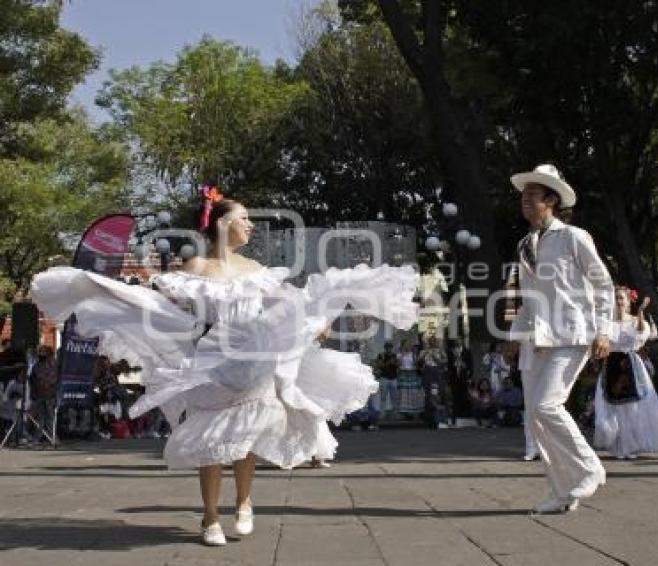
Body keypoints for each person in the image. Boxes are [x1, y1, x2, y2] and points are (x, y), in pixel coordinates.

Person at [31, 187, 418, 546]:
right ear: (222, 223)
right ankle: (211, 517)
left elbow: (287, 304)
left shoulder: (257, 270)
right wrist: (118, 296)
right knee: (212, 442)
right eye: (244, 217)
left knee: (246, 433)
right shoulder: (196, 266)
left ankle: (245, 501)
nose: (250, 224)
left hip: (253, 360)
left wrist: (314, 322)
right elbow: (168, 305)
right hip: (209, 361)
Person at [508, 164, 613, 514]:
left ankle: (588, 468)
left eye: (532, 195)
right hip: (536, 338)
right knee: (535, 418)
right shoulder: (524, 245)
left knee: (546, 406)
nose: (525, 201)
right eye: (524, 196)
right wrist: (513, 337)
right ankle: (562, 491)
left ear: (551, 200)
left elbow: (603, 285)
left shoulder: (573, 237)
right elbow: (527, 297)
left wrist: (604, 330)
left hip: (572, 332)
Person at [593, 288, 658, 459]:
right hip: (611, 365)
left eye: (621, 298)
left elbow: (640, 333)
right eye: (616, 298)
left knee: (633, 406)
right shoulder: (606, 323)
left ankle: (631, 445)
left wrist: (640, 312)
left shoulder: (634, 321)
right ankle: (619, 445)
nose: (618, 302)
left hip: (630, 365)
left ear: (628, 301)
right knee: (611, 405)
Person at [29, 345, 59, 444]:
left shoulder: (53, 363)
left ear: (48, 353)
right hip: (39, 394)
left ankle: (52, 437)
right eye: (40, 352)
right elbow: (32, 379)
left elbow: (54, 378)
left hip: (50, 394)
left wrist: (47, 383)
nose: (41, 354)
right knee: (39, 417)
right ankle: (38, 437)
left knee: (50, 417)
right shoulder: (36, 365)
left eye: (43, 352)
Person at [396, 340, 424, 415]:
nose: (407, 346)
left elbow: (416, 364)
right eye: (406, 345)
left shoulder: (413, 354)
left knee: (413, 392)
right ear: (403, 346)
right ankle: (405, 411)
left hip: (412, 373)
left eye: (409, 345)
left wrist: (414, 355)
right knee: (404, 393)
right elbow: (399, 364)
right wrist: (402, 354)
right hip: (404, 373)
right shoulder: (399, 354)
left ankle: (414, 410)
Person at [373, 342, 399, 417]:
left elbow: (397, 365)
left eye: (390, 347)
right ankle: (382, 413)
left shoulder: (395, 355)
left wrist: (396, 363)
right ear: (385, 348)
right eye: (387, 347)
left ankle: (395, 412)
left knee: (394, 397)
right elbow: (379, 365)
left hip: (393, 377)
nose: (389, 349)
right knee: (383, 396)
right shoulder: (381, 355)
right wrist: (389, 362)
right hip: (384, 377)